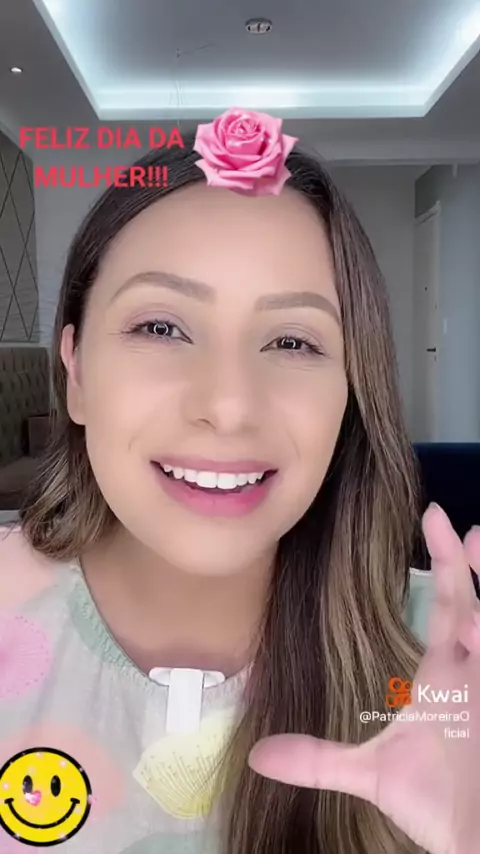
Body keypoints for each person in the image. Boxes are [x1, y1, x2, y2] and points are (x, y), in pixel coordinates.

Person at [0, 109, 478, 854]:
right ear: (78, 371)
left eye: (292, 340)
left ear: (351, 392)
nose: (228, 406)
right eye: (161, 327)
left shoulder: (443, 662)